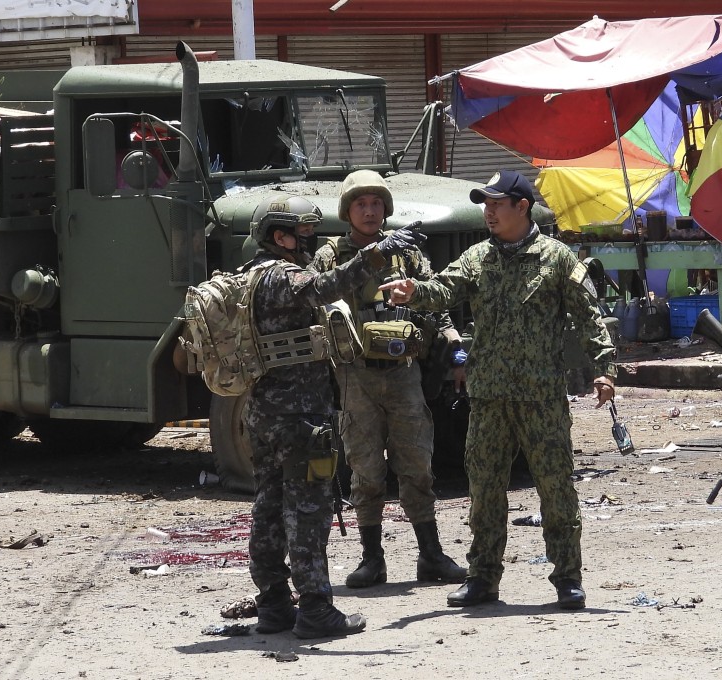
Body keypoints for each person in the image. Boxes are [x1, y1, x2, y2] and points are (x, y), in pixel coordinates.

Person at [379, 170, 617, 611]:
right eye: (484, 204)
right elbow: (444, 289)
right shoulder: (478, 258)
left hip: (541, 398)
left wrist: (603, 370)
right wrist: (413, 291)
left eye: (496, 204)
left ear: (521, 208)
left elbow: (589, 316)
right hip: (488, 399)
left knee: (556, 490)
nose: (487, 212)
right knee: (485, 490)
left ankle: (567, 580)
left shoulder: (557, 259)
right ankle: (482, 579)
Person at [243, 192, 426, 638]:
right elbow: (327, 286)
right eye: (301, 233)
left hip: (264, 414)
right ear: (279, 236)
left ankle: (273, 605)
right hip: (300, 416)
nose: (308, 241)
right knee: (307, 510)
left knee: (268, 505)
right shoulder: (282, 276)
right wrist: (379, 253)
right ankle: (316, 609)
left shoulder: (249, 276)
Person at [308, 170, 467, 589]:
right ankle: (371, 559)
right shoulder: (330, 257)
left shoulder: (407, 254)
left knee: (417, 463)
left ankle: (430, 554)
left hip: (402, 374)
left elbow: (435, 302)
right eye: (360, 204)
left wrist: (456, 348)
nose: (369, 210)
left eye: (377, 203)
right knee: (364, 468)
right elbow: (312, 296)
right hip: (355, 377)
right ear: (347, 211)